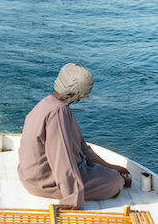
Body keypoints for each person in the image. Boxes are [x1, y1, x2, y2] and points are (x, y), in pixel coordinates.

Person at [18, 63, 131, 210]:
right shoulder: (58, 113)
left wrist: (109, 166)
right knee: (114, 182)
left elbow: (81, 146)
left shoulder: (48, 103)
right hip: (44, 181)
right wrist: (72, 199)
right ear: (75, 92)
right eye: (85, 92)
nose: (86, 96)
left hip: (30, 176)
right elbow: (61, 158)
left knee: (112, 174)